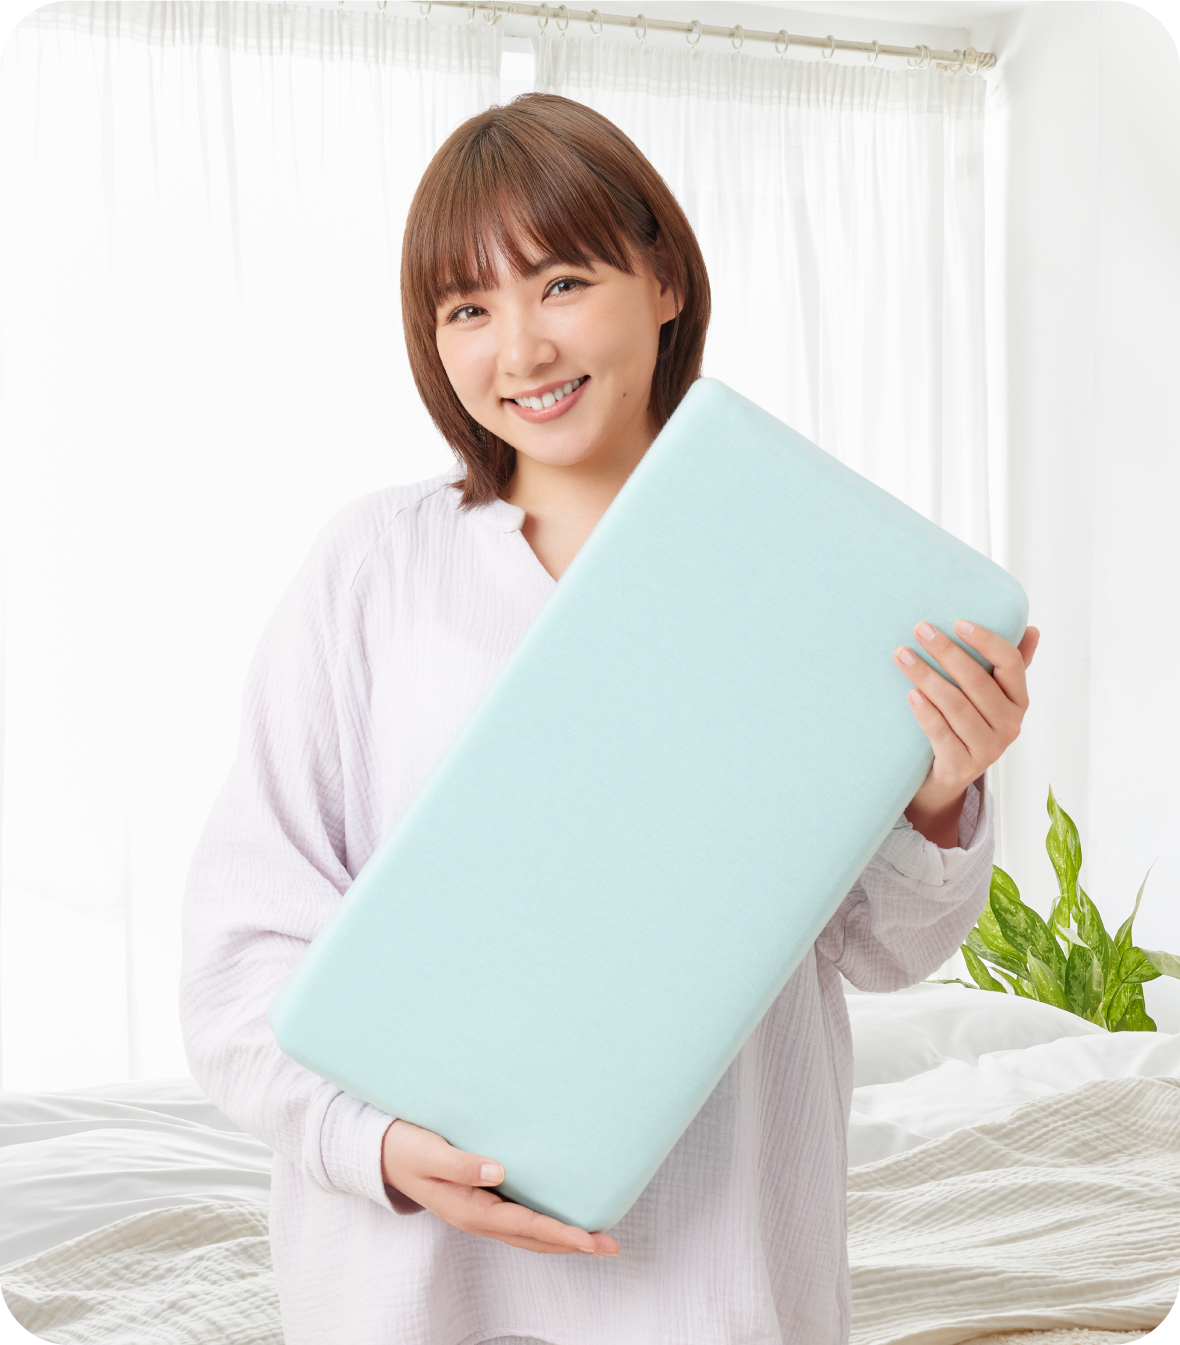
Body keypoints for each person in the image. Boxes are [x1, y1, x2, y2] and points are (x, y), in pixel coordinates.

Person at [181, 94, 1040, 1345]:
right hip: (410, 1279)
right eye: (467, 310)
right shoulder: (372, 569)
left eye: (562, 283)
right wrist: (373, 1144)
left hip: (718, 1273)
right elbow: (240, 946)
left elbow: (881, 952)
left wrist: (937, 791)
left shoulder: (809, 577)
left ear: (663, 280)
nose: (520, 349)